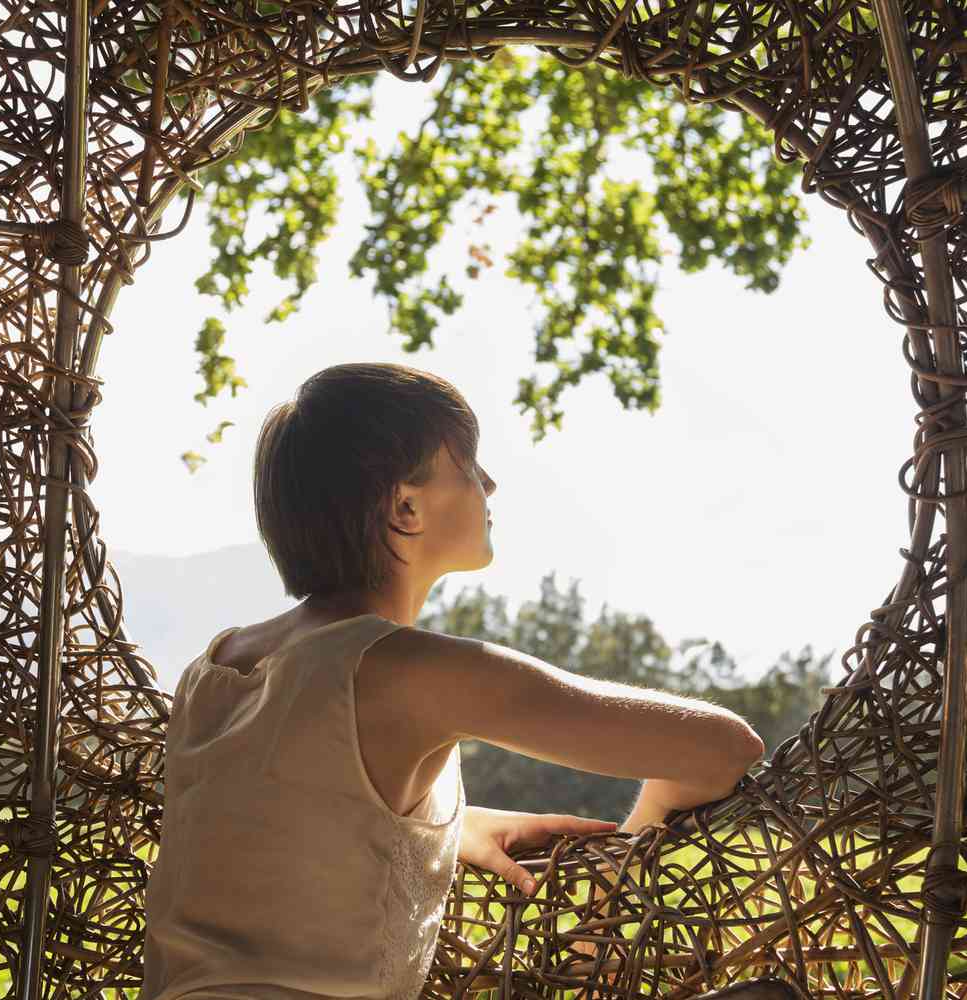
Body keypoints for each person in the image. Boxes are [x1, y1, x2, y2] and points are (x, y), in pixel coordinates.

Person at [142, 361, 764, 1000]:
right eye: (468, 466)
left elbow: (274, 821)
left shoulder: (216, 666)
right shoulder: (416, 670)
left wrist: (451, 825)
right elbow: (723, 747)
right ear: (405, 507)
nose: (489, 483)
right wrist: (628, 851)